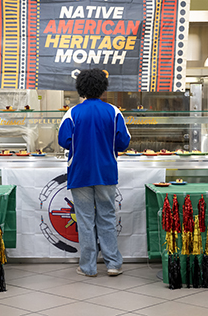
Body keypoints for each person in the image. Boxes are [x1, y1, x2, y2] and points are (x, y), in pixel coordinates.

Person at [58, 68, 131, 277]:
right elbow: (123, 142)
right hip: (106, 172)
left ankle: (88, 267)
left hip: (80, 172)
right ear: (103, 88)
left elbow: (63, 140)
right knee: (107, 217)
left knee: (85, 219)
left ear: (81, 89)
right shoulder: (114, 111)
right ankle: (113, 264)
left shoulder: (72, 112)